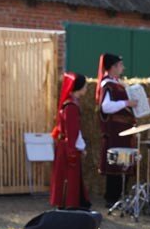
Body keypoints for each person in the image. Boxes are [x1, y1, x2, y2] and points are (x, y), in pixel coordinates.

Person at [96, 53, 139, 207]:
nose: (123, 68)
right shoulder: (107, 84)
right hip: (115, 130)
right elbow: (105, 107)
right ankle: (111, 198)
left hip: (124, 130)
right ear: (113, 67)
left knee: (125, 163)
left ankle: (122, 195)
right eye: (120, 65)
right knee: (115, 163)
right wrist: (126, 102)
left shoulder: (117, 83)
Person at [50, 72, 90, 209]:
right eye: (85, 86)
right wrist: (77, 149)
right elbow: (73, 132)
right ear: (79, 87)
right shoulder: (71, 107)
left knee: (68, 176)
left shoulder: (71, 104)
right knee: (69, 177)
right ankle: (69, 203)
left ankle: (69, 202)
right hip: (69, 148)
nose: (86, 89)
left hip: (66, 147)